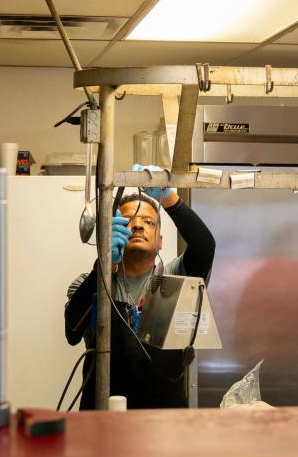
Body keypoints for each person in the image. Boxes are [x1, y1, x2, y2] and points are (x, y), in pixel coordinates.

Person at [64, 165, 215, 409]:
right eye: (128, 221)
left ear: (160, 240)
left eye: (148, 222)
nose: (137, 226)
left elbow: (204, 246)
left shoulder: (177, 278)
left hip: (164, 421)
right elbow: (72, 330)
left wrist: (169, 198)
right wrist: (105, 266)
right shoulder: (88, 281)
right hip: (101, 418)